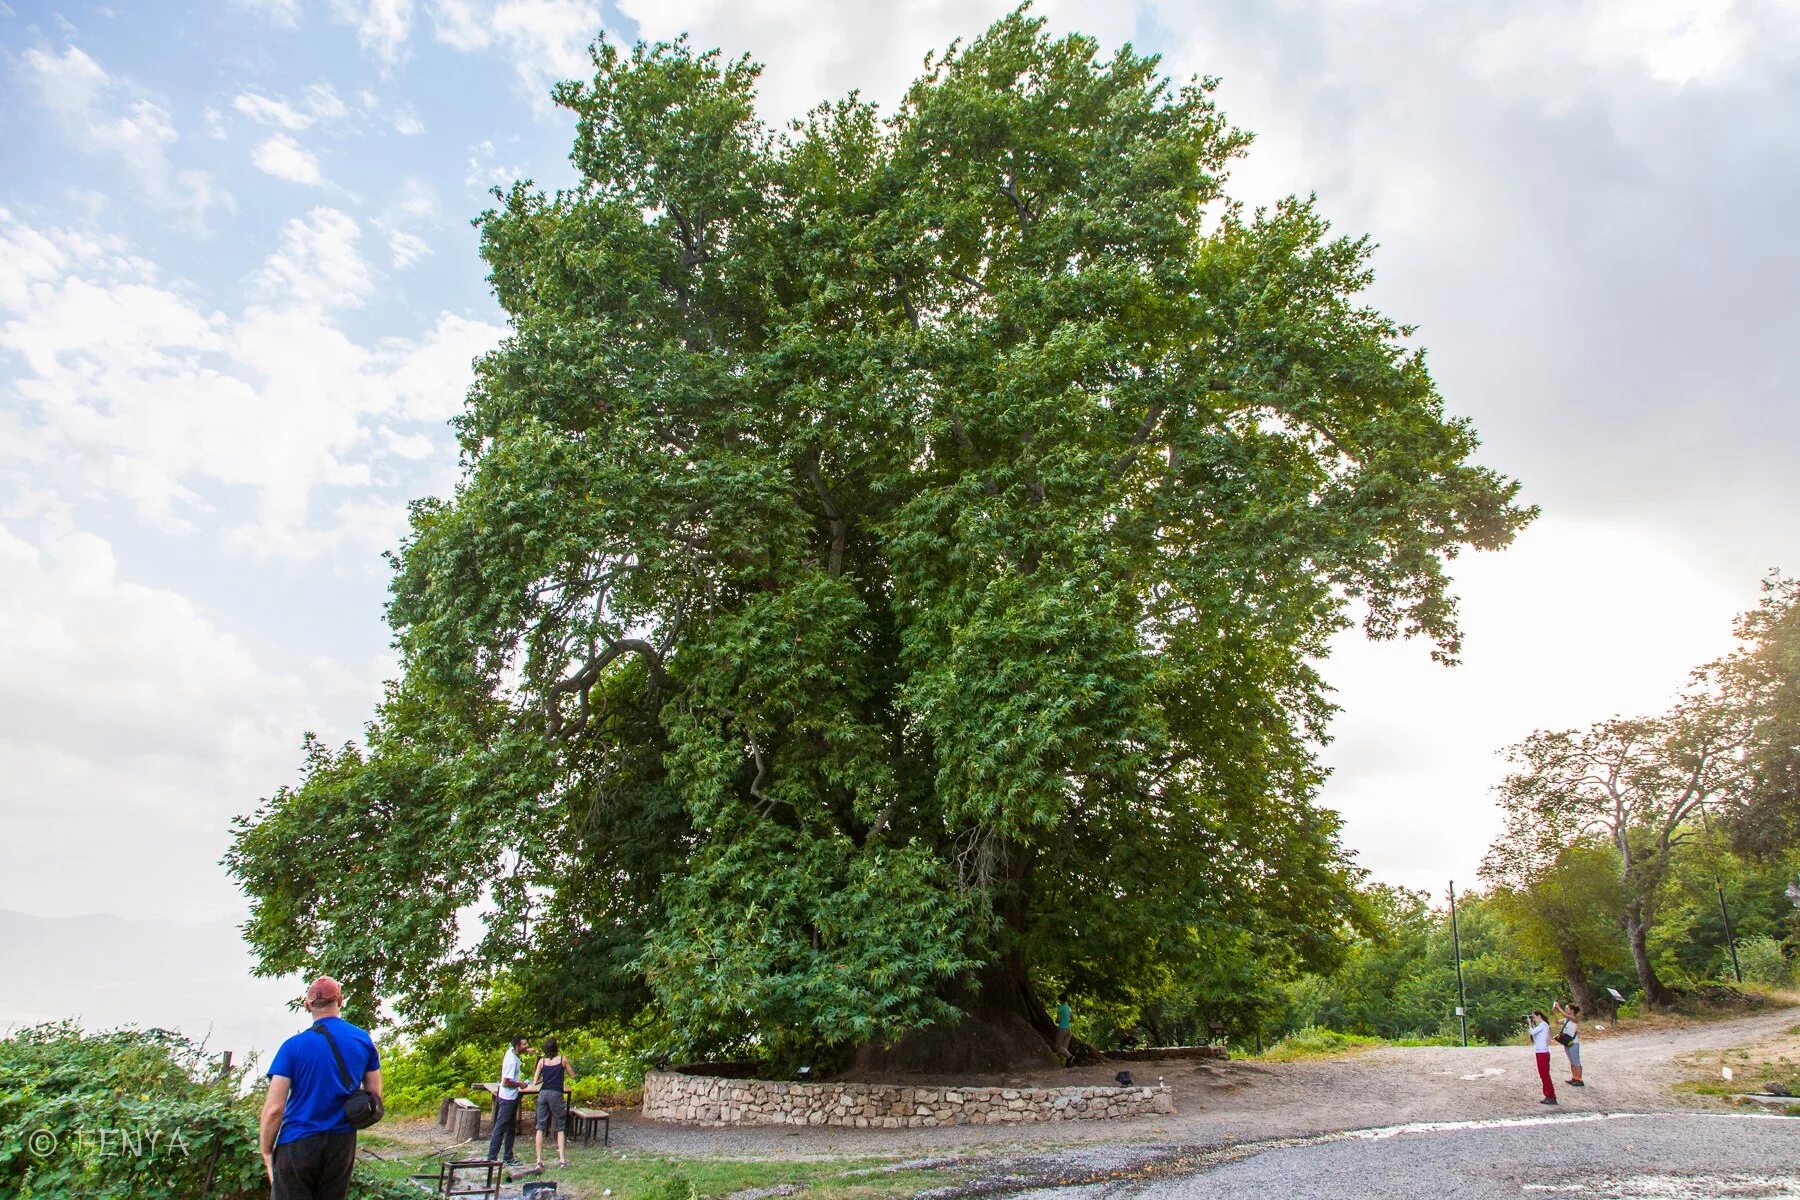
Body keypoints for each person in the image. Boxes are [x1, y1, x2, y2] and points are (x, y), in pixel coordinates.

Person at [259, 976, 382, 1200]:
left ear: (307, 1005)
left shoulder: (291, 1047)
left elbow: (275, 1108)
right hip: (341, 1143)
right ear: (341, 1001)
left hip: (298, 1142)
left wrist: (267, 1151)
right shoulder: (363, 1041)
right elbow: (375, 1095)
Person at [486, 1035, 532, 1165]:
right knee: (501, 1127)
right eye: (525, 1044)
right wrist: (520, 1084)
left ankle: (508, 1157)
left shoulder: (511, 1051)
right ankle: (492, 1157)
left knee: (511, 1127)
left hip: (511, 1096)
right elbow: (506, 1082)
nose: (527, 1046)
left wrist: (529, 1050)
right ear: (518, 1046)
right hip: (507, 1098)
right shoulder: (512, 1061)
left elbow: (521, 1049)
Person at [532, 1036, 576, 1169]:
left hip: (543, 1093)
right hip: (556, 1094)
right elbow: (572, 1075)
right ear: (556, 1048)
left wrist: (544, 1079)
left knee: (540, 1126)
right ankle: (562, 1159)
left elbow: (535, 1081)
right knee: (560, 1126)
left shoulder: (541, 1062)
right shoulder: (563, 1059)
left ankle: (539, 1161)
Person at [1527, 1010, 1557, 1105]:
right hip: (1540, 1051)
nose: (1533, 1019)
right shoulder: (1541, 1026)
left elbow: (1532, 1032)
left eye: (1534, 1017)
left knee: (1545, 1074)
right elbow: (1534, 1038)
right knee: (1543, 1074)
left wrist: (1529, 1023)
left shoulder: (1543, 1025)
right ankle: (1548, 1094)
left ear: (1539, 1016)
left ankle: (1550, 1095)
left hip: (1543, 1052)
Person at [1553, 1001, 1585, 1087]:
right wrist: (1555, 1013)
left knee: (1576, 1062)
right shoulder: (1566, 1019)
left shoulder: (1574, 1019)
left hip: (1574, 1043)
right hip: (1567, 1042)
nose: (1566, 1009)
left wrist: (1558, 1008)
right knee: (1572, 1062)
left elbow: (1564, 1015)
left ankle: (1579, 1079)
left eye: (1567, 1008)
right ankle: (1574, 1077)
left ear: (1572, 1011)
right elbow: (1556, 1022)